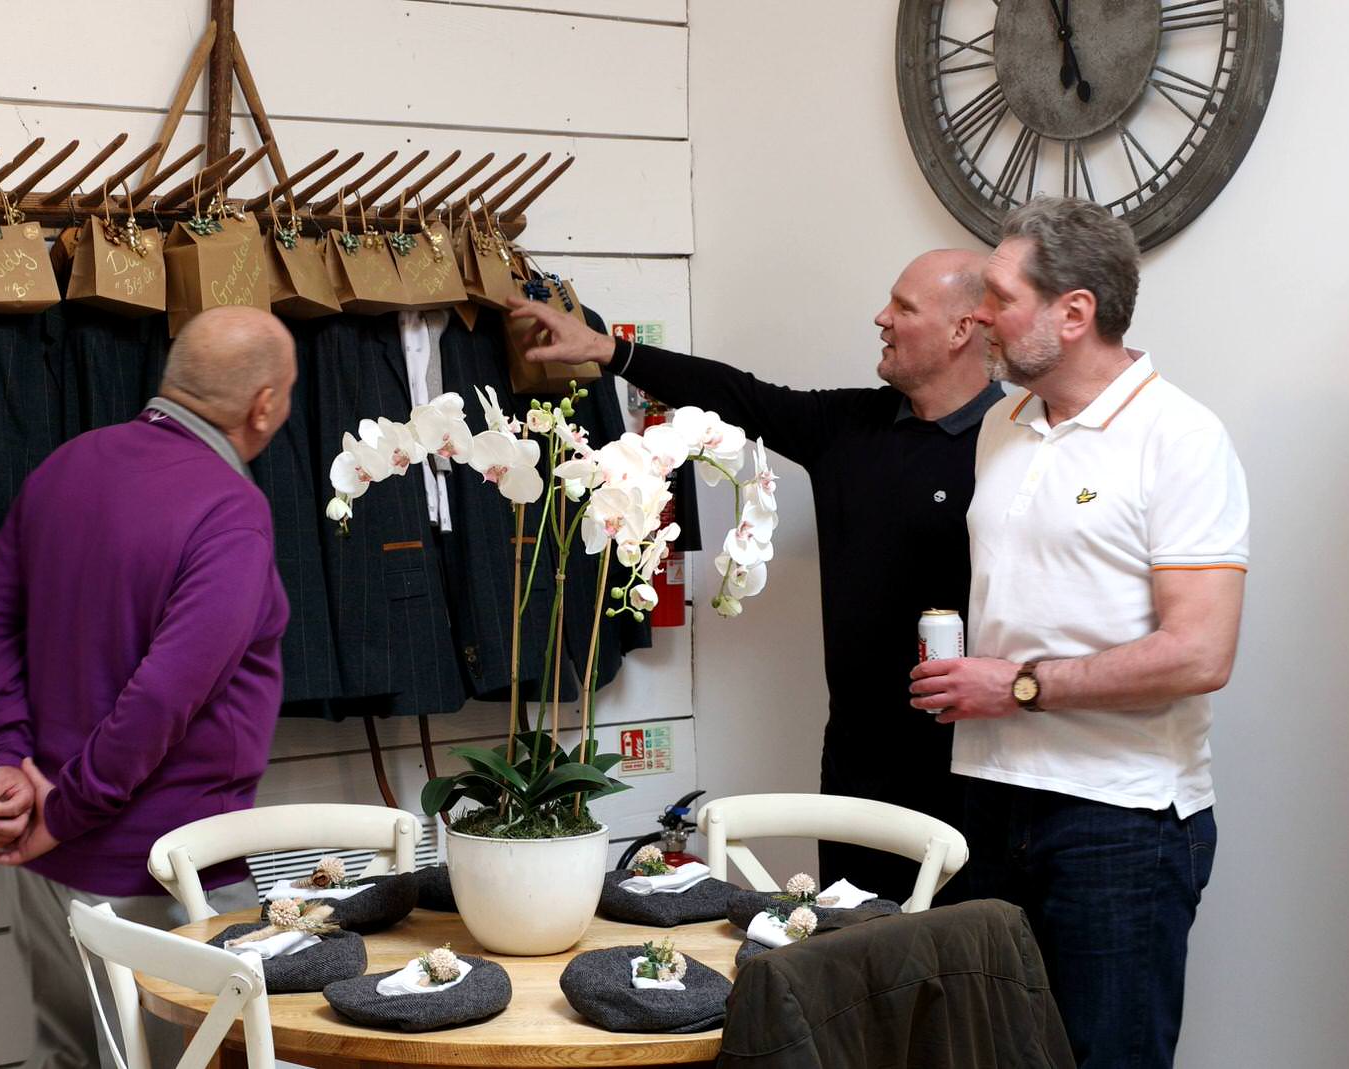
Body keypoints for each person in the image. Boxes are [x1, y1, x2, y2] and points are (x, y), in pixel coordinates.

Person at [508, 250, 999, 900]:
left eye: (904, 308)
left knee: (967, 952)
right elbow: (741, 397)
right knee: (854, 942)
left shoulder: (1015, 444)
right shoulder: (852, 427)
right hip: (855, 765)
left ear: (962, 329)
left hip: (975, 769)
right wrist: (610, 351)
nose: (881, 318)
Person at [910, 196, 1248, 1069]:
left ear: (1074, 312)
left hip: (1122, 815)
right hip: (991, 795)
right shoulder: (1002, 424)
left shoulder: (1181, 436)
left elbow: (1201, 652)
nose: (980, 314)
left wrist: (1019, 684)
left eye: (999, 296)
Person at [0, 306, 297, 1069]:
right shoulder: (231, 510)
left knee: (67, 1058)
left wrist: (6, 762)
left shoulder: (66, 465)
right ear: (264, 404)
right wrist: (63, 810)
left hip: (46, 868)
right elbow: (163, 697)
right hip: (171, 882)